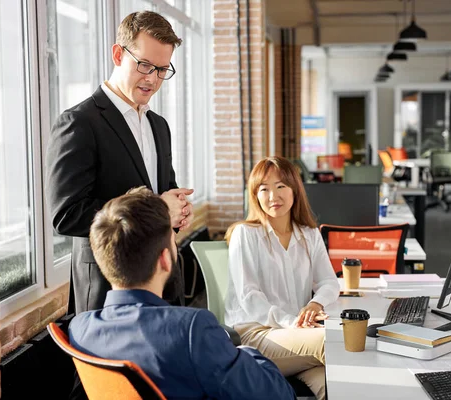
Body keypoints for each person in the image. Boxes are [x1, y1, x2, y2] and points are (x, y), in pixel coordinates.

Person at [69, 187, 296, 400]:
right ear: (165, 260)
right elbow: (278, 394)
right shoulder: (191, 329)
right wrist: (248, 352)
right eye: (173, 242)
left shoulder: (80, 329)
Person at [46, 11, 193, 315]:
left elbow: (164, 190)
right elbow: (66, 215)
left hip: (165, 281)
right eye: (144, 65)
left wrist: (177, 210)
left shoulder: (158, 125)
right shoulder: (79, 122)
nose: (152, 78)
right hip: (108, 292)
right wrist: (157, 209)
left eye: (162, 69)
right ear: (117, 54)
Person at [224, 156, 340, 400]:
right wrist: (293, 322)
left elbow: (329, 282)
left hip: (298, 337)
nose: (272, 196)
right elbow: (249, 297)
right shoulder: (245, 234)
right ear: (255, 195)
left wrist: (314, 304)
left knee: (338, 384)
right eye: (263, 189)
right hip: (257, 335)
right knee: (335, 342)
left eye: (280, 186)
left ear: (295, 190)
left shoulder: (309, 235)